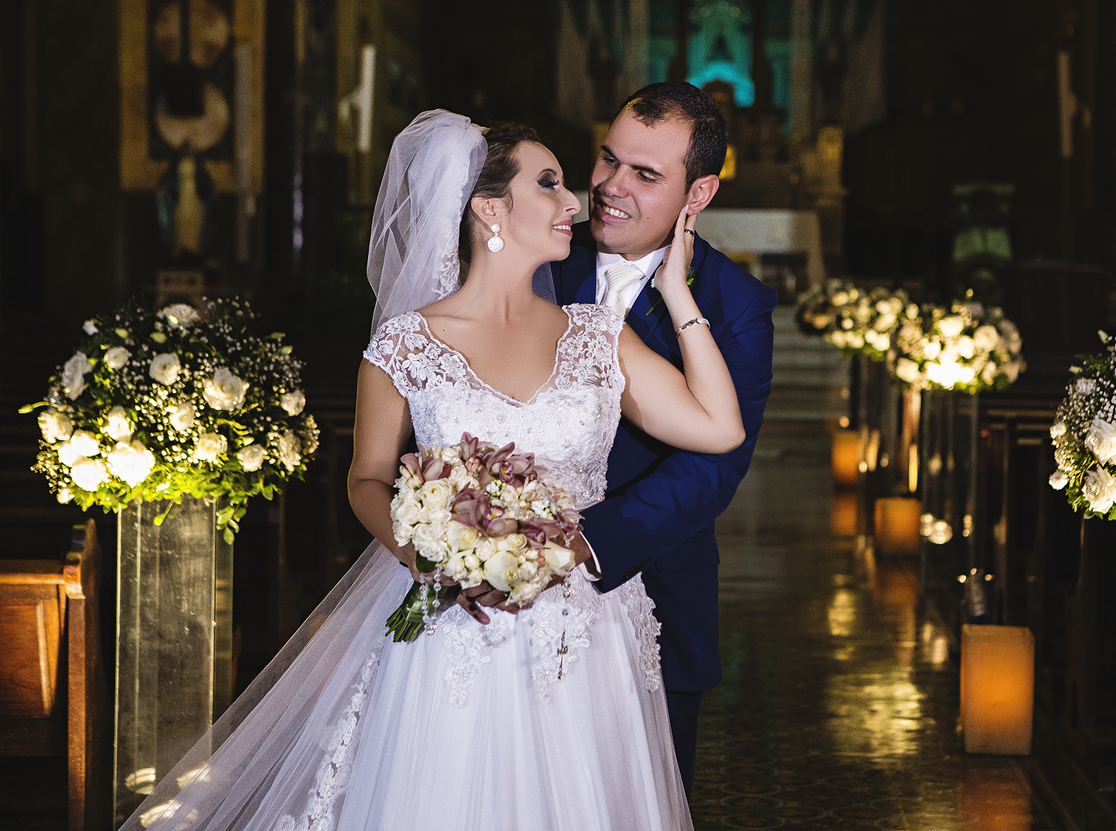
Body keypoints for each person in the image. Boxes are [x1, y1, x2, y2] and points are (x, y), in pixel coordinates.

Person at [119, 111, 744, 831]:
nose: (575, 202)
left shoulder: (599, 335)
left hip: (586, 632)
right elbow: (367, 479)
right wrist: (432, 559)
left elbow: (719, 427)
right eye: (549, 184)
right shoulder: (406, 345)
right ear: (487, 207)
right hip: (456, 629)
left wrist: (677, 291)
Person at [546, 83, 778, 794]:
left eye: (645, 175)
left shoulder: (735, 303)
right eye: (609, 159)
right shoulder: (537, 259)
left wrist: (584, 541)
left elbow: (715, 466)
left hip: (653, 597)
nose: (610, 188)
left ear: (698, 193)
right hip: (508, 588)